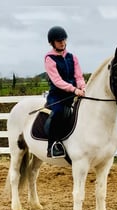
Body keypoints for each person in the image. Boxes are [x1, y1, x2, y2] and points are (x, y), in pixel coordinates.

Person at [44, 26, 86, 158]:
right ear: (52, 42)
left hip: (74, 93)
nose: (62, 42)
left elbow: (78, 76)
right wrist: (74, 89)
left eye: (63, 40)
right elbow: (57, 81)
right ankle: (52, 145)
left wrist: (82, 87)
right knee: (59, 112)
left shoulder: (72, 57)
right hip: (57, 95)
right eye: (58, 40)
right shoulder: (49, 58)